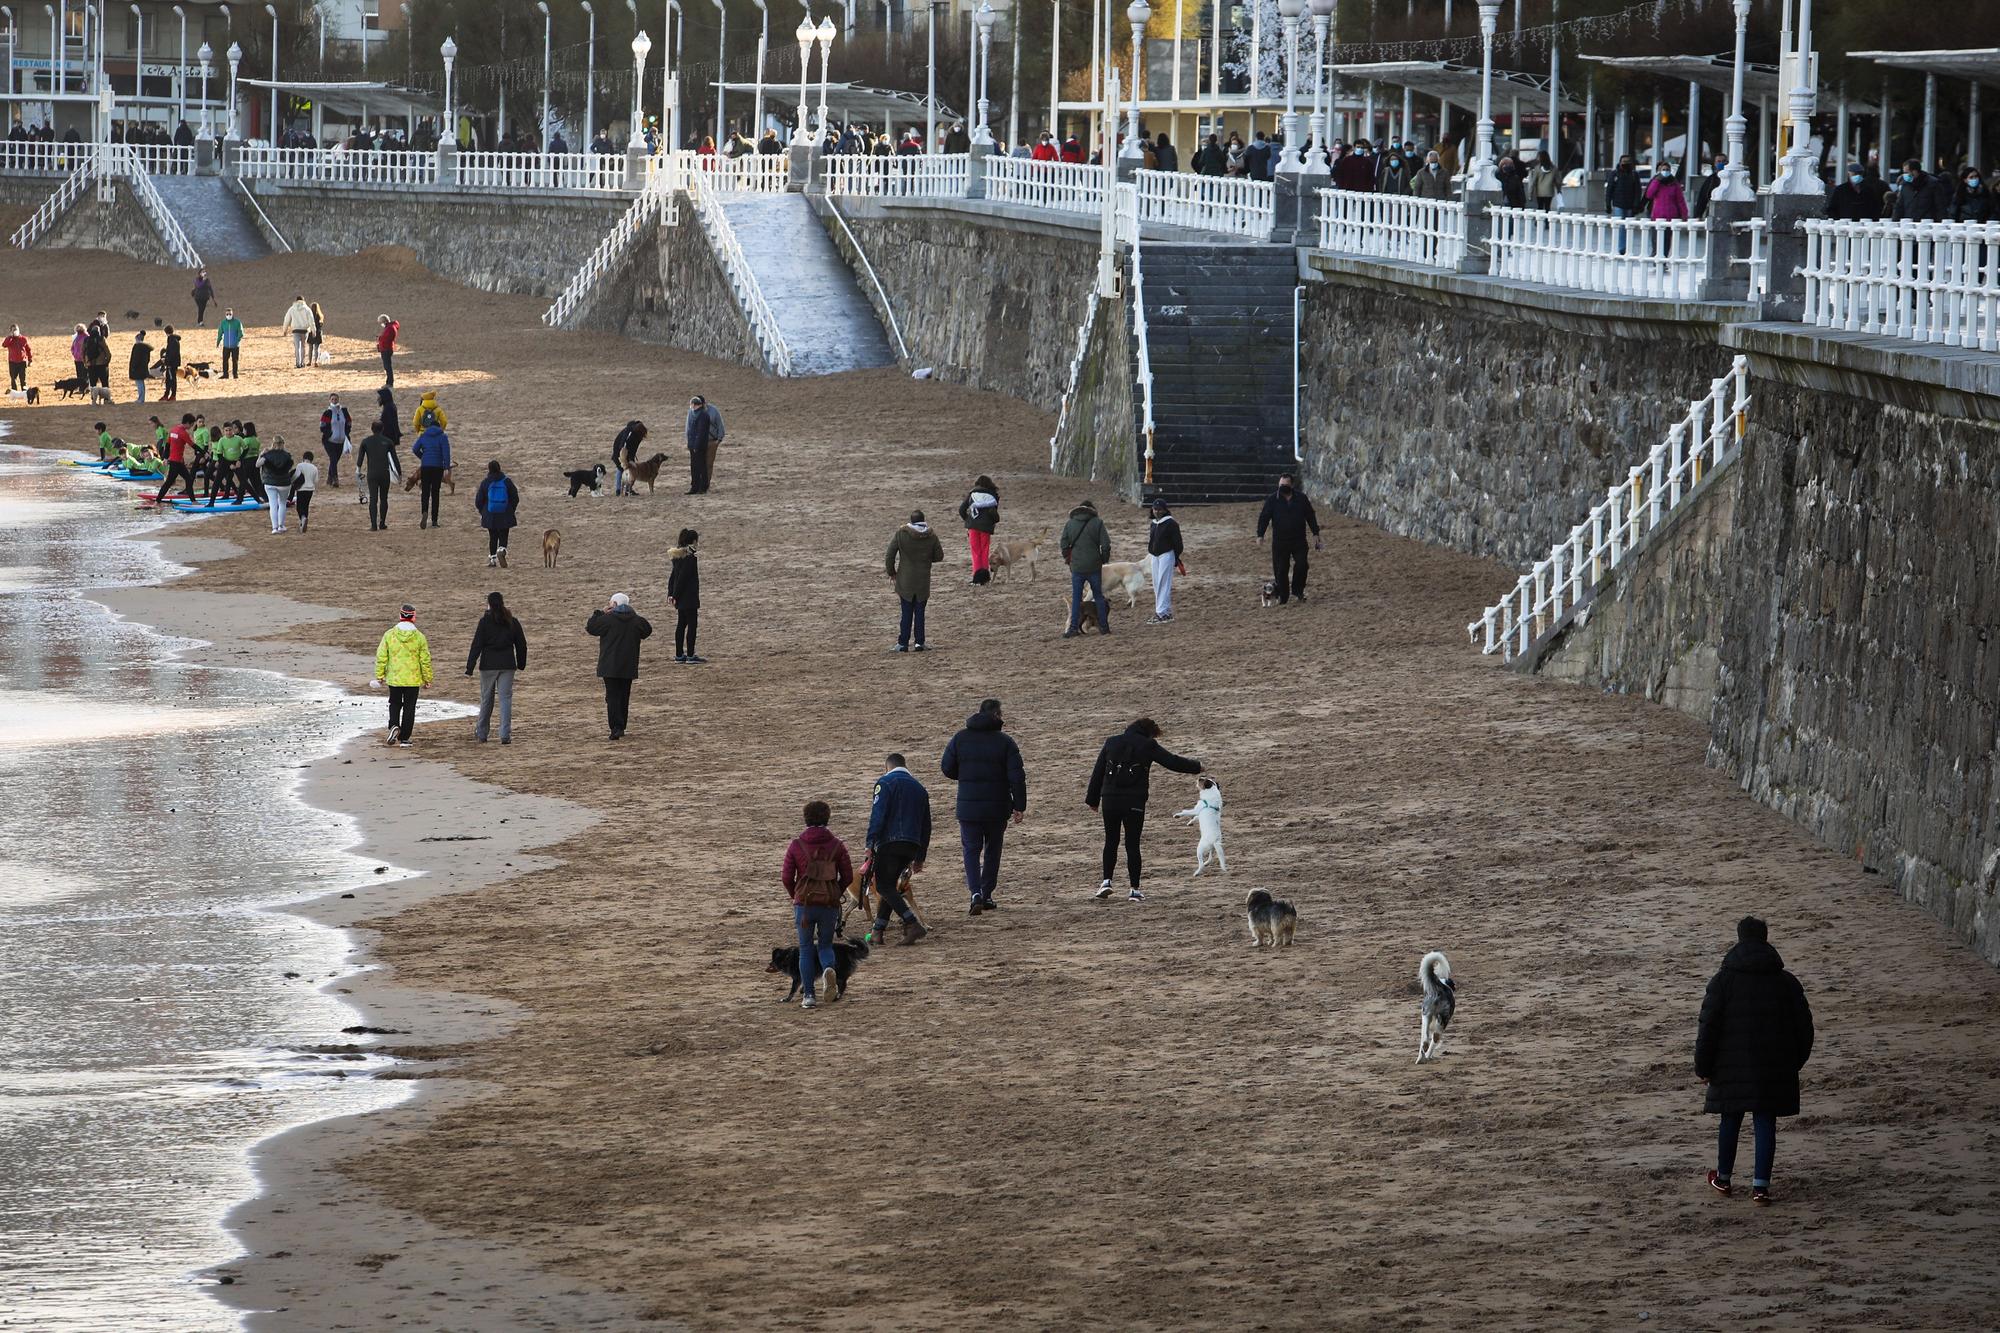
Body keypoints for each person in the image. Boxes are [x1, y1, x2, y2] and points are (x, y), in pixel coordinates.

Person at [1695, 916, 1815, 1205]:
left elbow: (1707, 1027)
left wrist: (1703, 1067)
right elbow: (1805, 1029)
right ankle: (1760, 1187)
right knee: (1765, 1120)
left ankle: (1723, 1178)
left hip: (1729, 1067)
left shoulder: (1722, 981)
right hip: (1773, 1066)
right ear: (1765, 938)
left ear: (1739, 939)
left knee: (1730, 1118)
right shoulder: (1786, 982)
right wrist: (1794, 1063)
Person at [1085, 717, 1203, 902]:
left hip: (1110, 799)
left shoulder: (1111, 741)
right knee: (1132, 844)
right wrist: (1196, 767)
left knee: (1111, 841)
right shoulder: (1148, 744)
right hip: (1134, 801)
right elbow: (1171, 761)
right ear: (1149, 731)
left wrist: (1092, 800)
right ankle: (1134, 890)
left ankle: (1106, 882)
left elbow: (1098, 772)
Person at [939, 698, 1026, 916]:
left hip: (968, 806)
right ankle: (987, 894)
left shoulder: (960, 738)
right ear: (996, 715)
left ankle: (975, 893)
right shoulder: (1005, 742)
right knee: (993, 850)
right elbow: (1017, 777)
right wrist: (1019, 805)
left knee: (971, 849)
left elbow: (947, 768)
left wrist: (966, 776)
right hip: (997, 807)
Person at [781, 799, 855, 1010]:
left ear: (806, 819)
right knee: (825, 945)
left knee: (805, 949)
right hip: (829, 905)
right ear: (827, 818)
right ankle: (828, 970)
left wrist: (795, 895)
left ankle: (809, 996)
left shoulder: (796, 845)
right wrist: (835, 893)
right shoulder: (837, 845)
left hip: (804, 904)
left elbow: (787, 877)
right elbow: (848, 876)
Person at [864, 755, 932, 946]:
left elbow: (878, 815)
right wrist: (920, 856)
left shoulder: (885, 783)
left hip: (890, 842)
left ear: (887, 767)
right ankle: (878, 931)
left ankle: (912, 923)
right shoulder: (920, 789)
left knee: (884, 886)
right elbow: (926, 825)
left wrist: (870, 843)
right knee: (890, 886)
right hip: (912, 844)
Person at [585, 592, 652, 740]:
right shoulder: (636, 620)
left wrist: (600, 612)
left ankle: (616, 727)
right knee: (623, 696)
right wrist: (633, 615)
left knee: (612, 696)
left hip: (609, 665)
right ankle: (621, 726)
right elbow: (647, 629)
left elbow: (590, 627)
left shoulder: (607, 620)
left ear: (614, 604)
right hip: (628, 665)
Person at [465, 590, 528, 744]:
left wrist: (470, 666)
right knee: (505, 699)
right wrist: (521, 663)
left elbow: (477, 645)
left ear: (489, 605)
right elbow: (521, 644)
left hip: (488, 666)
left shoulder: (484, 622)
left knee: (487, 699)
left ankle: (482, 733)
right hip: (507, 665)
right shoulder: (512, 621)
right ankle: (505, 735)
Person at [1256, 472, 1322, 605]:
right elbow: (1264, 517)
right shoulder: (1272, 500)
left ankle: (1298, 591)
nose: (1282, 487)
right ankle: (1283, 595)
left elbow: (1310, 515)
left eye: (1285, 485)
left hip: (1299, 540)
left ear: (1292, 485)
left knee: (1302, 565)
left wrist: (1316, 533)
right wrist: (1260, 535)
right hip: (1280, 541)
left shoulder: (1301, 499)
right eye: (1280, 485)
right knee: (1281, 570)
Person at [372, 605, 433, 747]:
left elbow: (381, 656)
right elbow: (425, 659)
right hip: (412, 679)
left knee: (394, 703)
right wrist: (427, 679)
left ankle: (394, 725)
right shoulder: (419, 637)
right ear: (413, 617)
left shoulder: (389, 634)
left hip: (394, 678)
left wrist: (380, 676)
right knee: (409, 708)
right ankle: (404, 738)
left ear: (400, 616)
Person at [1059, 497, 1112, 638]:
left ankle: (1072, 629)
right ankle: (1104, 627)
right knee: (1098, 596)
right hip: (1094, 565)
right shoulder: (1098, 523)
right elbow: (1106, 544)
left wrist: (1068, 559)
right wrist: (1103, 559)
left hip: (1077, 567)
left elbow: (1063, 544)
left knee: (1077, 598)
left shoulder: (1070, 523)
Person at [667, 527, 705, 663]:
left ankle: (679, 654)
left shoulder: (677, 557)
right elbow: (682, 578)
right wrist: (674, 594)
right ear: (693, 541)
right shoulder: (690, 558)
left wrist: (671, 594)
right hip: (689, 597)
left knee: (681, 624)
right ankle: (690, 655)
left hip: (680, 597)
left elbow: (673, 577)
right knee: (692, 625)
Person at [1145, 498, 1184, 624]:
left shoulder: (1171, 523)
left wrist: (1175, 557)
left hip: (1166, 554)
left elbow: (1178, 543)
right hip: (1155, 556)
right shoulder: (1153, 523)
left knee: (1163, 582)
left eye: (1159, 509)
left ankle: (1161, 612)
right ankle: (1165, 611)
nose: (1157, 512)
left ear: (1165, 510)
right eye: (1155, 509)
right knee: (1157, 583)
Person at [474, 459, 519, 567]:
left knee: (492, 536)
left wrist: (483, 512)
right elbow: (515, 497)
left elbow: (478, 501)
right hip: (505, 513)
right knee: (503, 534)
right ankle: (502, 549)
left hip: (490, 514)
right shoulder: (507, 481)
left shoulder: (485, 482)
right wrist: (510, 509)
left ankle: (492, 559)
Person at [958, 474, 999, 586]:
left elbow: (961, 510)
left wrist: (968, 521)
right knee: (984, 551)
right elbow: (994, 514)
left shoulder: (972, 494)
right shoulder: (993, 496)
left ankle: (976, 577)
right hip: (985, 527)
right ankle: (985, 577)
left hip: (973, 527)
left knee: (975, 552)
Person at [356, 420, 398, 530]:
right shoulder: (388, 441)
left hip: (372, 473)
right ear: (382, 429)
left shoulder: (366, 441)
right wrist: (399, 474)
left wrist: (358, 470)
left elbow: (360, 458)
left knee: (373, 498)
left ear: (372, 429)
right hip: (385, 473)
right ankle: (382, 523)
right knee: (384, 498)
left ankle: (373, 525)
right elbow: (395, 459)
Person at [413, 416, 451, 530]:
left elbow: (415, 449)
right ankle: (434, 521)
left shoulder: (424, 435)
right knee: (435, 493)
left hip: (425, 466)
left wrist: (423, 457)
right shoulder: (443, 437)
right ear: (439, 427)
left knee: (425, 492)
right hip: (437, 467)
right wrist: (446, 467)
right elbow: (446, 453)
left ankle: (424, 511)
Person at [154, 413, 197, 502]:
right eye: (192, 424)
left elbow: (167, 445)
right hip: (176, 462)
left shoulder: (173, 430)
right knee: (170, 482)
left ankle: (193, 501)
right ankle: (157, 501)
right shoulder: (183, 433)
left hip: (175, 461)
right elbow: (193, 445)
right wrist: (204, 453)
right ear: (188, 423)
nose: (192, 426)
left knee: (187, 479)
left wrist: (165, 457)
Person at [258, 434, 296, 534]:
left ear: (273, 443)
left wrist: (261, 454)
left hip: (270, 483)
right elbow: (290, 467)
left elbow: (257, 464)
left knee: (273, 504)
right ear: (283, 443)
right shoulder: (287, 456)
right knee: (282, 503)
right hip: (284, 483)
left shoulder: (267, 455)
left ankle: (274, 527)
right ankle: (281, 525)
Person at [319, 394, 352, 487]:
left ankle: (329, 478)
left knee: (335, 460)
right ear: (329, 400)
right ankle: (335, 479)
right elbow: (322, 426)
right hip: (329, 441)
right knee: (333, 459)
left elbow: (349, 422)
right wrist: (330, 434)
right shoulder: (327, 413)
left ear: (339, 399)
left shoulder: (344, 411)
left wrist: (346, 433)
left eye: (336, 399)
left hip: (341, 441)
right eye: (332, 399)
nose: (334, 400)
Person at [611, 419, 648, 495]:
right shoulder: (630, 433)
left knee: (631, 469)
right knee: (620, 468)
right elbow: (623, 445)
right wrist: (623, 459)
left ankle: (628, 490)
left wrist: (631, 459)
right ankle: (618, 490)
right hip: (620, 450)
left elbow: (634, 447)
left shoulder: (638, 435)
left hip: (628, 452)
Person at [290, 448, 319, 533]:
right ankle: (303, 522)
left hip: (301, 488)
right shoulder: (314, 468)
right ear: (311, 459)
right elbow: (316, 481)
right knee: (306, 505)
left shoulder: (300, 465)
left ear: (303, 458)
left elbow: (295, 476)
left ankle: (302, 519)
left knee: (299, 506)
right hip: (310, 490)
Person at [282, 295, 314, 368]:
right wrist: (313, 331)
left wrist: (285, 330)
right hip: (305, 330)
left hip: (296, 330)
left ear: (296, 301)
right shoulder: (307, 309)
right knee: (303, 347)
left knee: (297, 347)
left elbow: (286, 320)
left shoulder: (292, 309)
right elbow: (311, 321)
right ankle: (302, 363)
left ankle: (297, 363)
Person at [215, 307, 243, 379]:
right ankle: (225, 374)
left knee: (235, 360)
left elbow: (241, 333)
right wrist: (218, 342)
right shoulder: (223, 323)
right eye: (227, 314)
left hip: (235, 346)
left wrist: (237, 341)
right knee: (225, 361)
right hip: (226, 345)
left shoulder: (237, 322)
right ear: (225, 314)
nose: (228, 315)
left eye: (230, 314)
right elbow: (220, 333)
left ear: (232, 314)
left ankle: (235, 374)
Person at [127, 331, 152, 403]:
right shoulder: (145, 347)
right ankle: (141, 398)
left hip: (138, 368)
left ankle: (141, 399)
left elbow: (135, 358)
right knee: (141, 383)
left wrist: (133, 367)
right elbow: (147, 359)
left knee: (139, 383)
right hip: (143, 367)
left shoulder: (137, 347)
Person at [3, 324, 30, 391]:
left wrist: (30, 359)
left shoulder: (23, 339)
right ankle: (14, 394)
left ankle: (25, 394)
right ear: (11, 331)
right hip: (12, 362)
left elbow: (28, 349)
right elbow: (4, 345)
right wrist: (10, 337)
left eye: (16, 329)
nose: (15, 331)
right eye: (14, 330)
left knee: (23, 379)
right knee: (13, 379)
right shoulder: (9, 339)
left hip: (22, 362)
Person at [375, 313, 400, 386]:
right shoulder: (389, 327)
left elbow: (387, 338)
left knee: (388, 367)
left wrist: (379, 338)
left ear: (384, 321)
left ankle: (389, 383)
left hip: (386, 349)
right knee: (387, 367)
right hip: (386, 348)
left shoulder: (390, 328)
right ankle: (389, 382)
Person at [158, 324, 180, 401]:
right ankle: (167, 395)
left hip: (171, 364)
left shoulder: (172, 340)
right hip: (173, 363)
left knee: (171, 379)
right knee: (169, 379)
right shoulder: (174, 340)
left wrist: (166, 361)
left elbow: (172, 354)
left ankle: (172, 395)